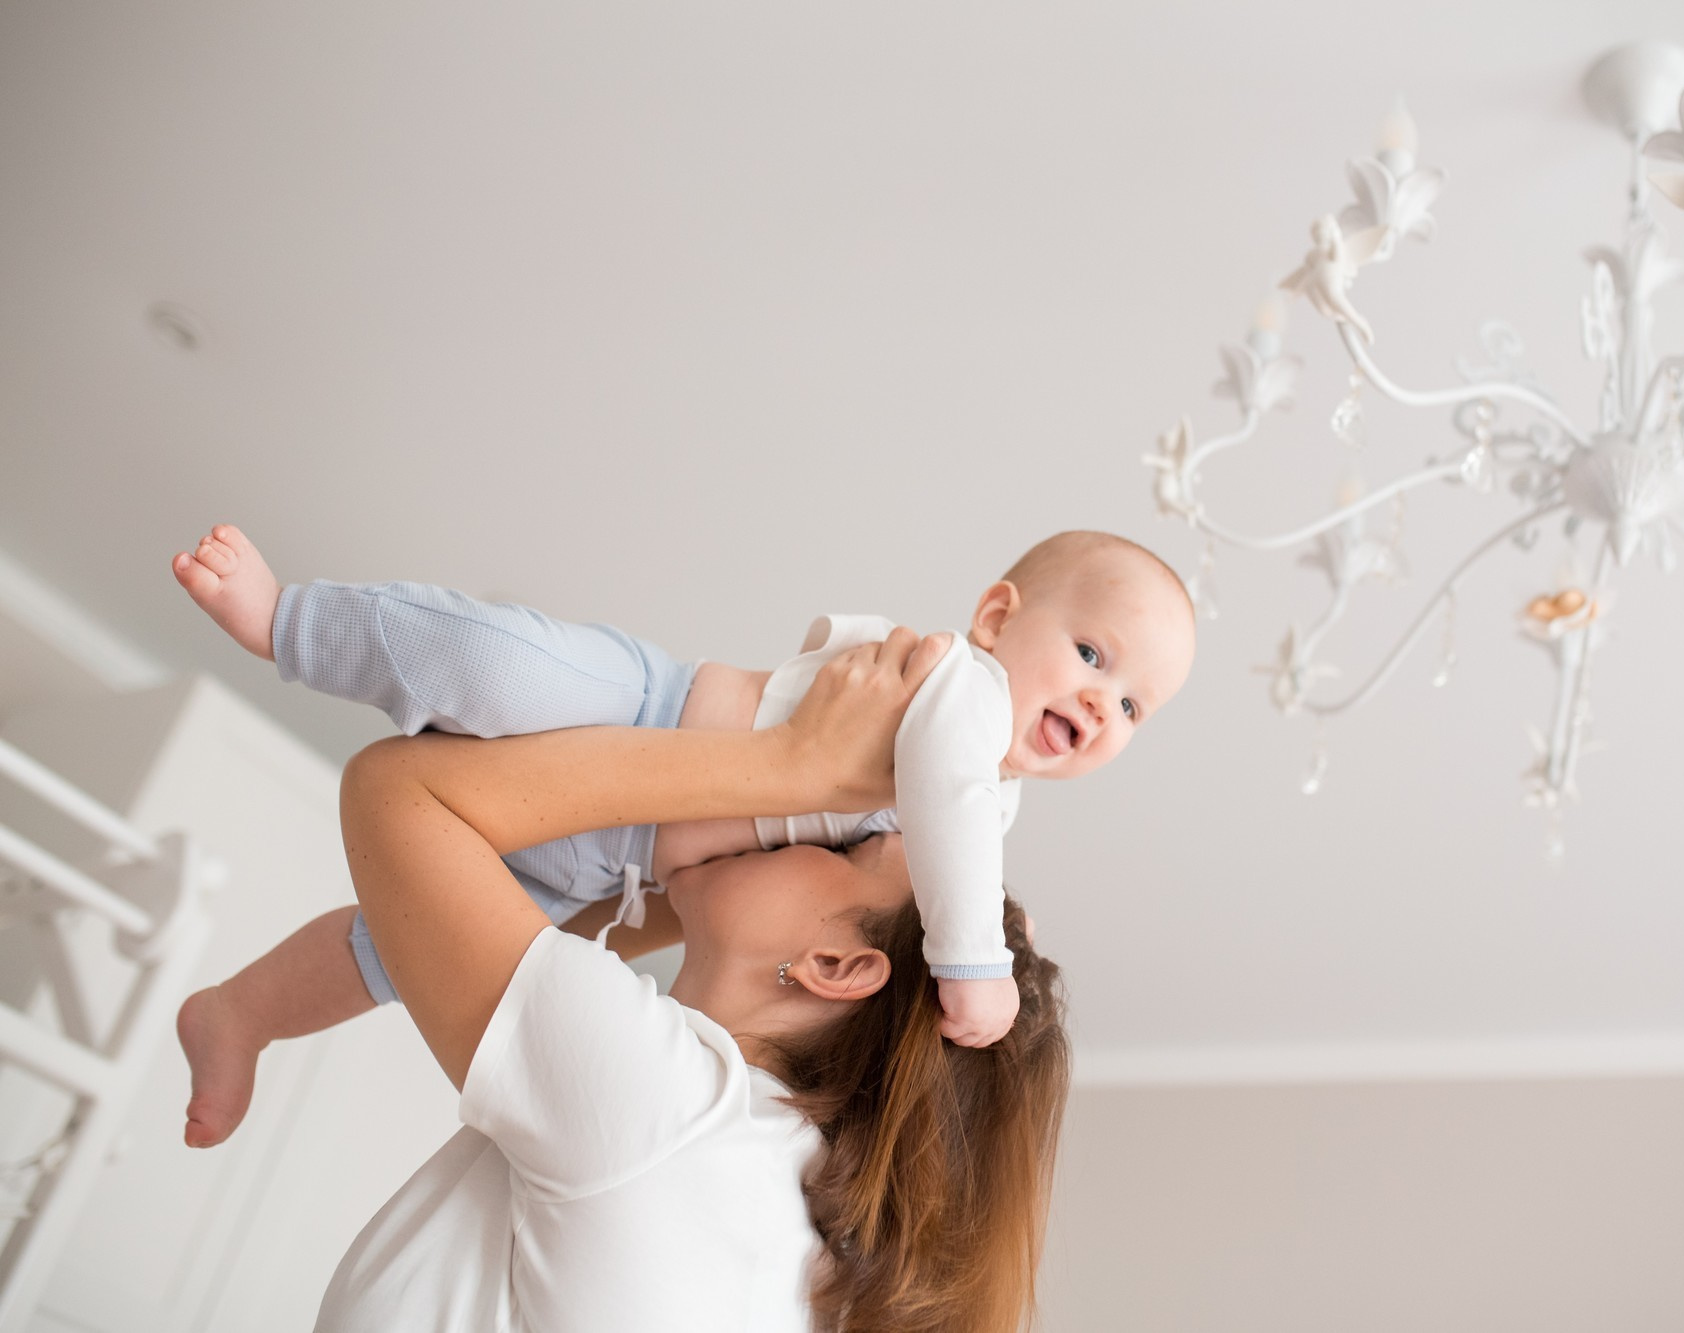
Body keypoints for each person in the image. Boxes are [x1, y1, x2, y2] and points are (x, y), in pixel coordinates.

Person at [171, 522, 1193, 1146]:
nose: (1103, 701)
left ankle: (243, 1010)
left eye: (1135, 707)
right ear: (996, 614)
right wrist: (973, 966)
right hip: (640, 713)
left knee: (396, 948)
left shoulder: (987, 802)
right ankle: (293, 623)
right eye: (1092, 653)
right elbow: (948, 814)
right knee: (487, 659)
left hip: (615, 866)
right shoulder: (961, 700)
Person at [315, 629, 1070, 1331]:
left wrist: (793, 762)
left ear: (836, 966)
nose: (800, 824)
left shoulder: (673, 1112)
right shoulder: (772, 1215)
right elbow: (464, 919)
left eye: (843, 846)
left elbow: (399, 791)